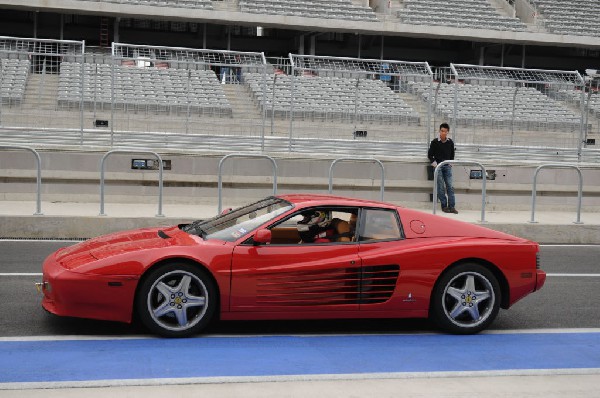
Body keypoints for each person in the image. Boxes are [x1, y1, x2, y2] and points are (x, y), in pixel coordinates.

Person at [428, 123, 458, 214]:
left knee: (450, 186)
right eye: (442, 131)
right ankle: (444, 206)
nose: (443, 133)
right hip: (438, 167)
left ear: (447, 132)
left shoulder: (450, 142)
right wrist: (435, 165)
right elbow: (430, 155)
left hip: (447, 167)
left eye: (445, 131)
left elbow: (452, 155)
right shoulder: (435, 142)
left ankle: (452, 206)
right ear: (439, 131)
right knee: (440, 187)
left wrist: (450, 164)